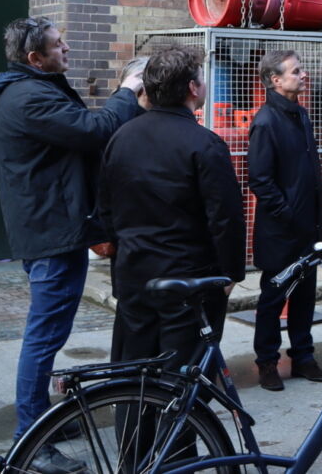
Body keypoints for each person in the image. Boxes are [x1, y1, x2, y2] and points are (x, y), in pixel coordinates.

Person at [0, 16, 142, 474]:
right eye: (58, 45)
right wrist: (129, 89)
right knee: (44, 337)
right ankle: (29, 443)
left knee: (48, 335)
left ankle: (40, 424)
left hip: (52, 227)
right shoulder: (28, 96)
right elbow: (95, 130)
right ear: (35, 58)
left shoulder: (30, 88)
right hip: (51, 233)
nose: (67, 49)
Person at [99, 44, 245, 370]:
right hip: (188, 282)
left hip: (134, 274)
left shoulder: (121, 138)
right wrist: (231, 272)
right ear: (193, 88)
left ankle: (134, 423)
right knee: (182, 382)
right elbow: (226, 219)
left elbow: (106, 206)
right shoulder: (205, 145)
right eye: (202, 80)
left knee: (132, 377)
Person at [249, 49, 322, 390]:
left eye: (301, 69)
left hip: (307, 227)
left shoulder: (301, 115)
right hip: (281, 230)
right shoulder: (266, 121)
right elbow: (260, 179)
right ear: (275, 79)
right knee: (274, 295)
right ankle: (267, 362)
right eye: (295, 71)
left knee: (305, 294)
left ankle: (303, 357)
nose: (303, 74)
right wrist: (288, 215)